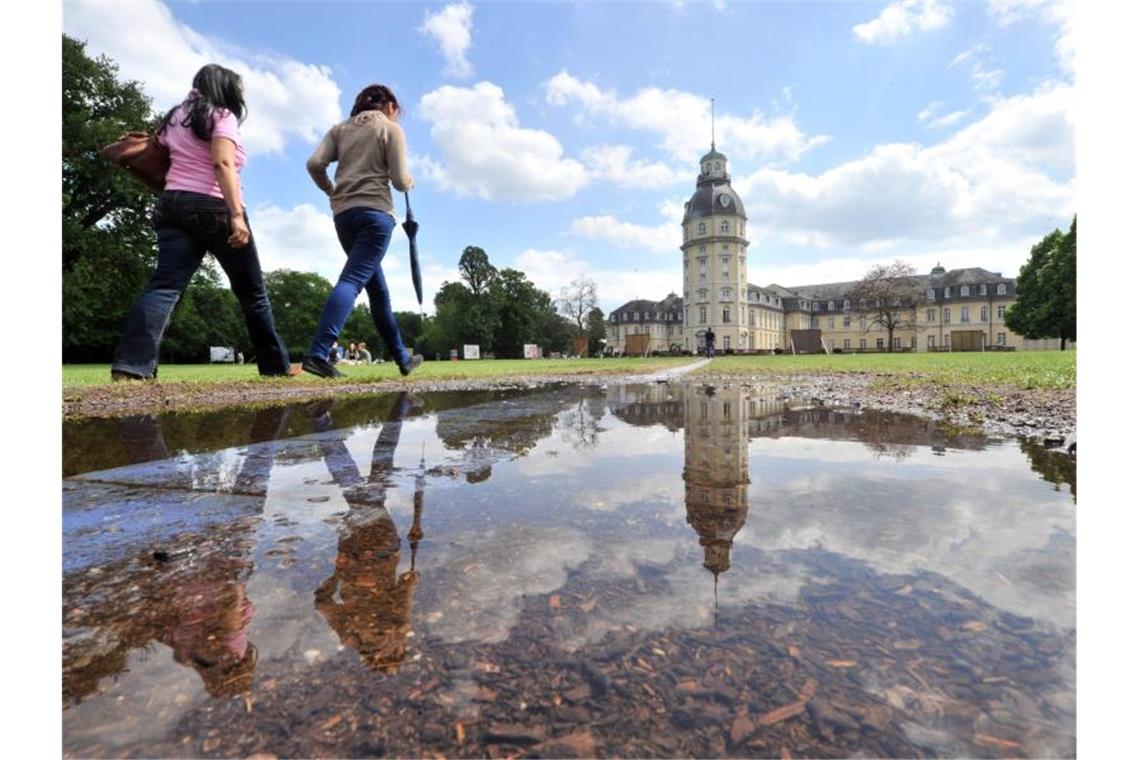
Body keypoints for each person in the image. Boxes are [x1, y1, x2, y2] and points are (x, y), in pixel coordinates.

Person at [111, 64, 296, 381]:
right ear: (224, 86)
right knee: (252, 292)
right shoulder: (222, 115)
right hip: (213, 206)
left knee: (165, 286)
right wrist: (236, 216)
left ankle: (131, 368)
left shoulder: (174, 117)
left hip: (171, 204)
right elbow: (222, 162)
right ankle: (276, 366)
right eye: (238, 87)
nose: (241, 94)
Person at [303, 83, 424, 379]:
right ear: (390, 106)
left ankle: (402, 358)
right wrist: (410, 181)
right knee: (354, 280)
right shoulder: (390, 129)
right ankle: (318, 354)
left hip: (343, 216)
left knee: (378, 292)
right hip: (375, 214)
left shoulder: (339, 130)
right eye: (397, 111)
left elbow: (315, 163)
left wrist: (332, 190)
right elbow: (398, 180)